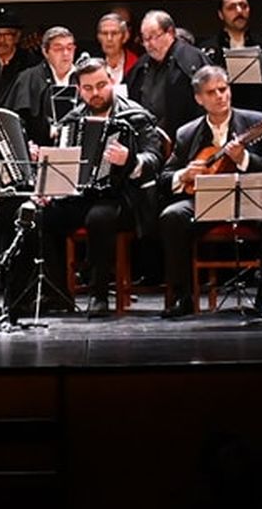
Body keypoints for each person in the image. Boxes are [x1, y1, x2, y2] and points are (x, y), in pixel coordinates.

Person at [38, 58, 166, 317]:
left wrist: (130, 160)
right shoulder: (72, 119)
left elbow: (155, 158)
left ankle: (98, 295)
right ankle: (57, 294)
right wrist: (49, 182)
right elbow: (64, 165)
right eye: (88, 88)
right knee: (43, 217)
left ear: (112, 81)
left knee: (99, 218)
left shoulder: (136, 116)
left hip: (125, 196)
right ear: (79, 90)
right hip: (82, 195)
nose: (95, 93)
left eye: (101, 85)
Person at [158, 65, 262, 317]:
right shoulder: (187, 133)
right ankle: (183, 296)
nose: (220, 96)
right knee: (172, 216)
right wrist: (184, 174)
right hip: (204, 203)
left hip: (248, 198)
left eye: (223, 89)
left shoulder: (258, 123)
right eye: (211, 92)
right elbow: (164, 178)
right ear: (199, 99)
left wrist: (244, 159)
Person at [128, 10, 208, 142]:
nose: (149, 44)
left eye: (154, 37)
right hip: (148, 141)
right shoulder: (140, 66)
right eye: (145, 39)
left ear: (170, 32)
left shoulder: (192, 60)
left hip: (186, 140)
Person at [0, 25, 79, 144]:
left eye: (70, 48)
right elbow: (12, 121)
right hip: (39, 148)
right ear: (45, 51)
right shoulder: (28, 78)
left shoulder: (83, 77)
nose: (66, 53)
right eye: (58, 48)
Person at [201, 0, 262, 112]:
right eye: (231, 8)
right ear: (221, 14)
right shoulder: (207, 50)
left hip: (258, 113)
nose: (239, 11)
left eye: (243, 6)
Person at [94, 13, 139, 93]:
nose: (109, 38)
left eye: (114, 33)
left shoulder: (137, 65)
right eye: (104, 33)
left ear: (125, 37)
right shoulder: (92, 64)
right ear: (99, 37)